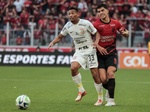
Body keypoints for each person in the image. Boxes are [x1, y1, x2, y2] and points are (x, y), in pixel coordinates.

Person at [48, 7, 103, 106]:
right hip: (79, 51)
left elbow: (96, 33)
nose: (71, 15)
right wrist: (52, 42)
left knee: (95, 74)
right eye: (69, 13)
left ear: (78, 14)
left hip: (90, 50)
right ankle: (81, 91)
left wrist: (96, 43)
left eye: (73, 13)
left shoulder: (86, 23)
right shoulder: (68, 26)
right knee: (73, 68)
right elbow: (60, 36)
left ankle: (100, 97)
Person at [93, 4, 129, 106]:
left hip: (111, 53)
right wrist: (98, 46)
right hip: (99, 55)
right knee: (103, 79)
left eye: (102, 10)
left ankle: (111, 100)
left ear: (107, 11)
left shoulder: (115, 23)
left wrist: (127, 34)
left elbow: (125, 32)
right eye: (98, 11)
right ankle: (110, 91)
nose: (100, 13)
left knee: (110, 73)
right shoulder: (95, 25)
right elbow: (90, 40)